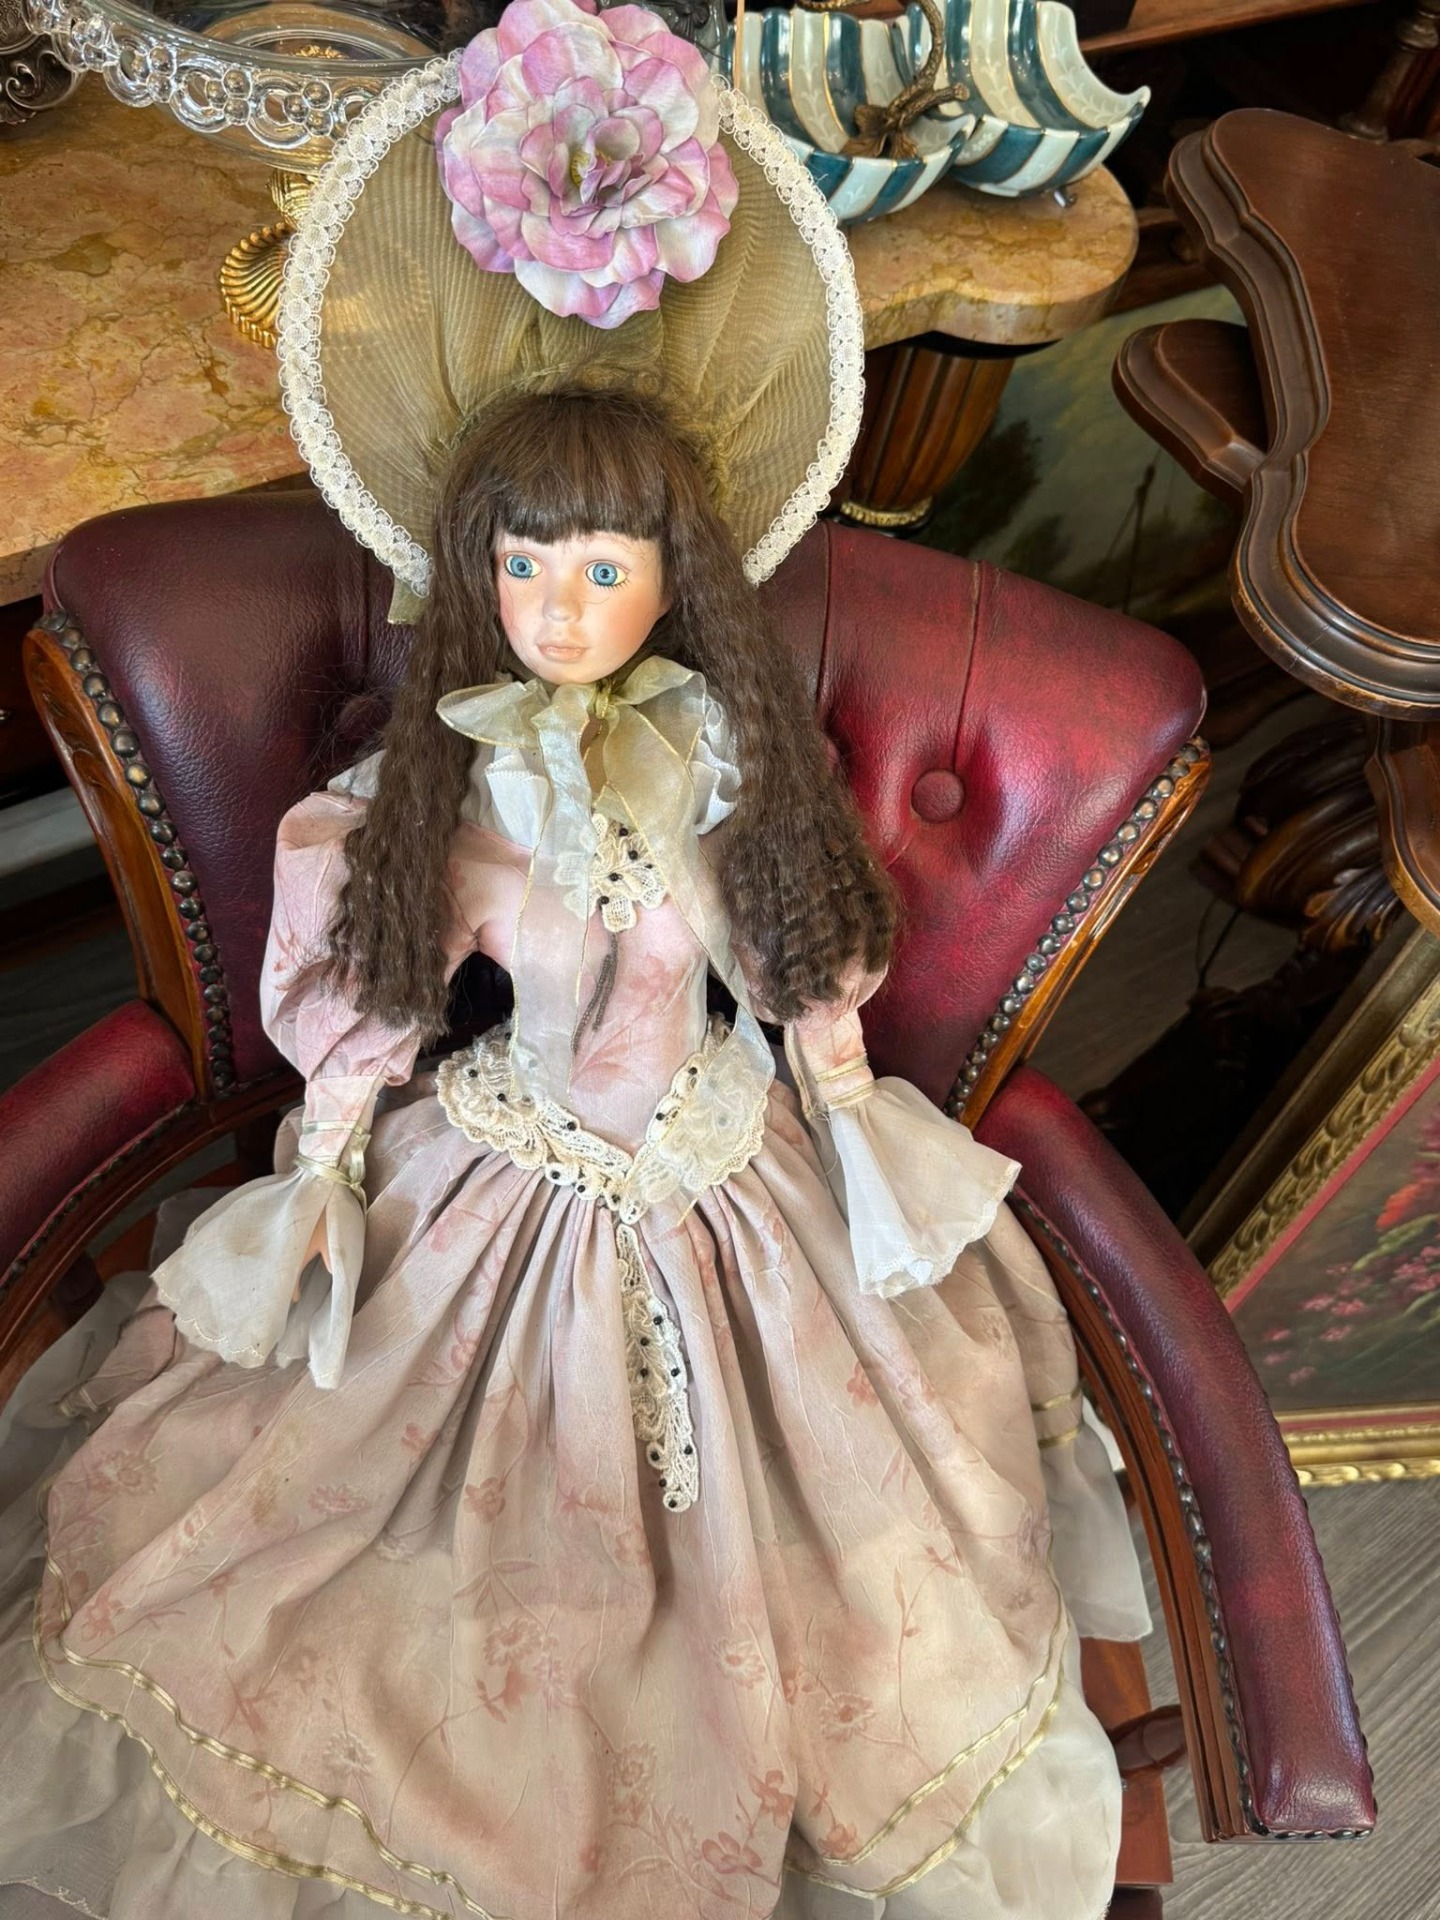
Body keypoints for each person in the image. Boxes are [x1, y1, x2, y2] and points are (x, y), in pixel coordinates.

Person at [0, 4, 1149, 1914]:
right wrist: (324, 1173)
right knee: (355, 1518)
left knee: (844, 1523)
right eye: (524, 566)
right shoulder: (442, 792)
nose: (558, 607)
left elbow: (796, 967)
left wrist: (857, 1127)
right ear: (471, 570)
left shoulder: (728, 764)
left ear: (677, 575)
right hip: (499, 1161)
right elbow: (373, 1009)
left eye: (604, 568)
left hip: (729, 1168)